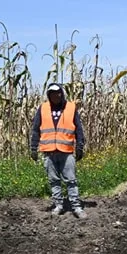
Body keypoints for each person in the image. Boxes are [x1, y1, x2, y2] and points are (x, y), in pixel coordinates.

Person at [29, 82, 87, 218]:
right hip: (49, 152)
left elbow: (79, 129)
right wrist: (33, 147)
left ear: (62, 93)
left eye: (58, 93)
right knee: (54, 181)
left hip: (66, 151)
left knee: (71, 181)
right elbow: (36, 130)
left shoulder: (71, 108)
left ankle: (76, 207)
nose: (56, 95)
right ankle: (58, 205)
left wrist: (79, 146)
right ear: (49, 95)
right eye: (52, 93)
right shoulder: (43, 109)